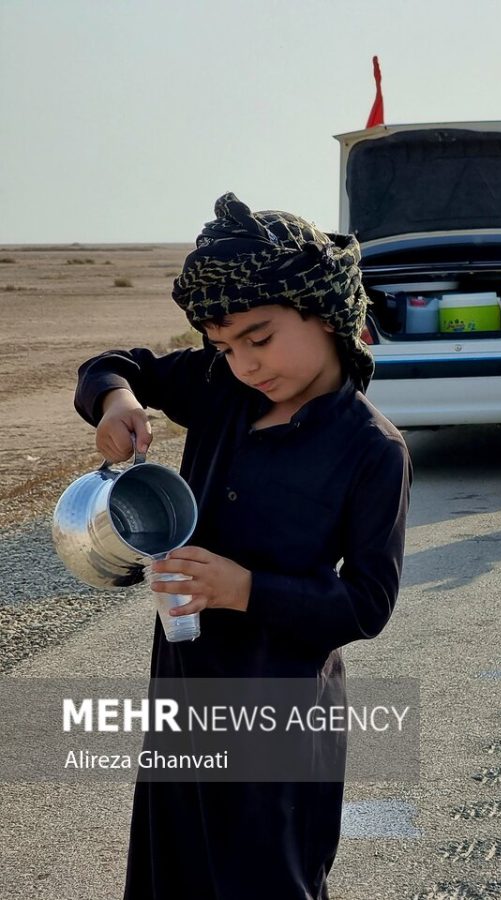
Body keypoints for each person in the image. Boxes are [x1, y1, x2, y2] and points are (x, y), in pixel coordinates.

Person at [74, 192, 411, 900]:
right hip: (184, 691)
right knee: (175, 874)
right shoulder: (220, 392)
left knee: (268, 880)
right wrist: (116, 403)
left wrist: (244, 589)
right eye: (225, 348)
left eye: (259, 339)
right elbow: (113, 365)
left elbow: (367, 604)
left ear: (323, 311)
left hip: (281, 717)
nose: (245, 364)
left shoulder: (372, 450)